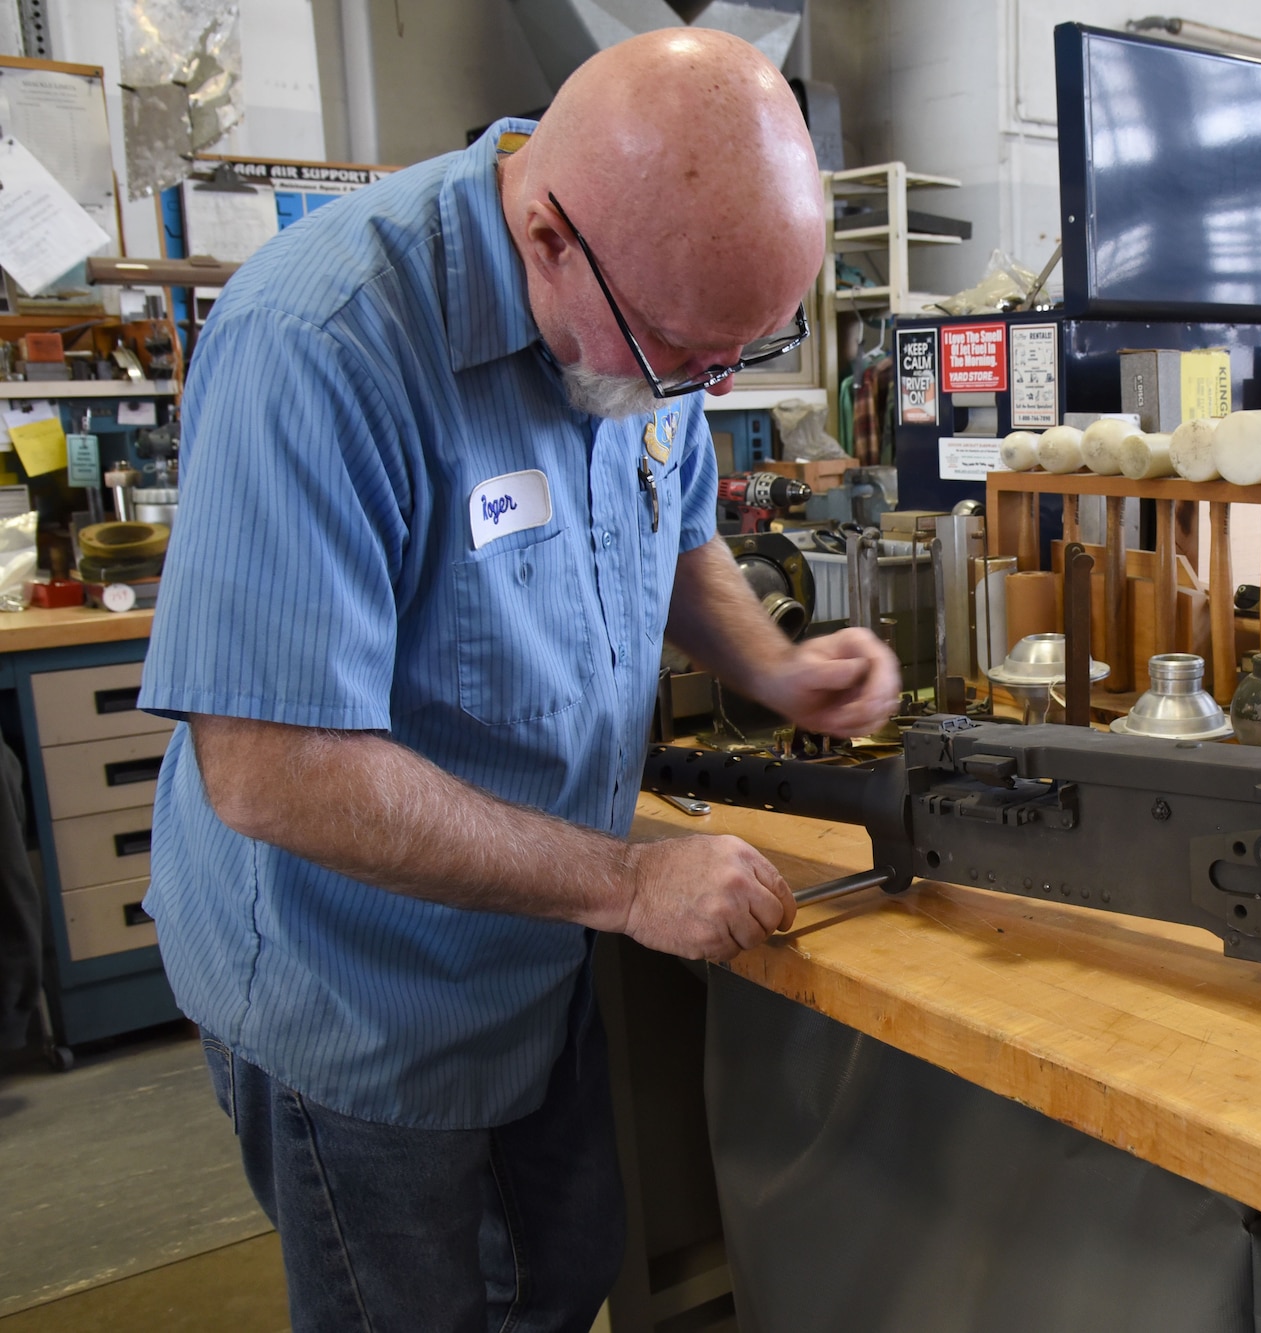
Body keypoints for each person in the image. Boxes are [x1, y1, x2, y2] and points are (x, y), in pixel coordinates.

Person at [137, 29, 900, 1333]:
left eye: (733, 357)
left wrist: (773, 664)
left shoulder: (647, 299)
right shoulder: (319, 340)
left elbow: (675, 522)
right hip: (356, 991)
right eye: (685, 359)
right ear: (550, 237)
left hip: (538, 948)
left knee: (558, 1280)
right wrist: (627, 879)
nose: (698, 386)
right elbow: (272, 771)